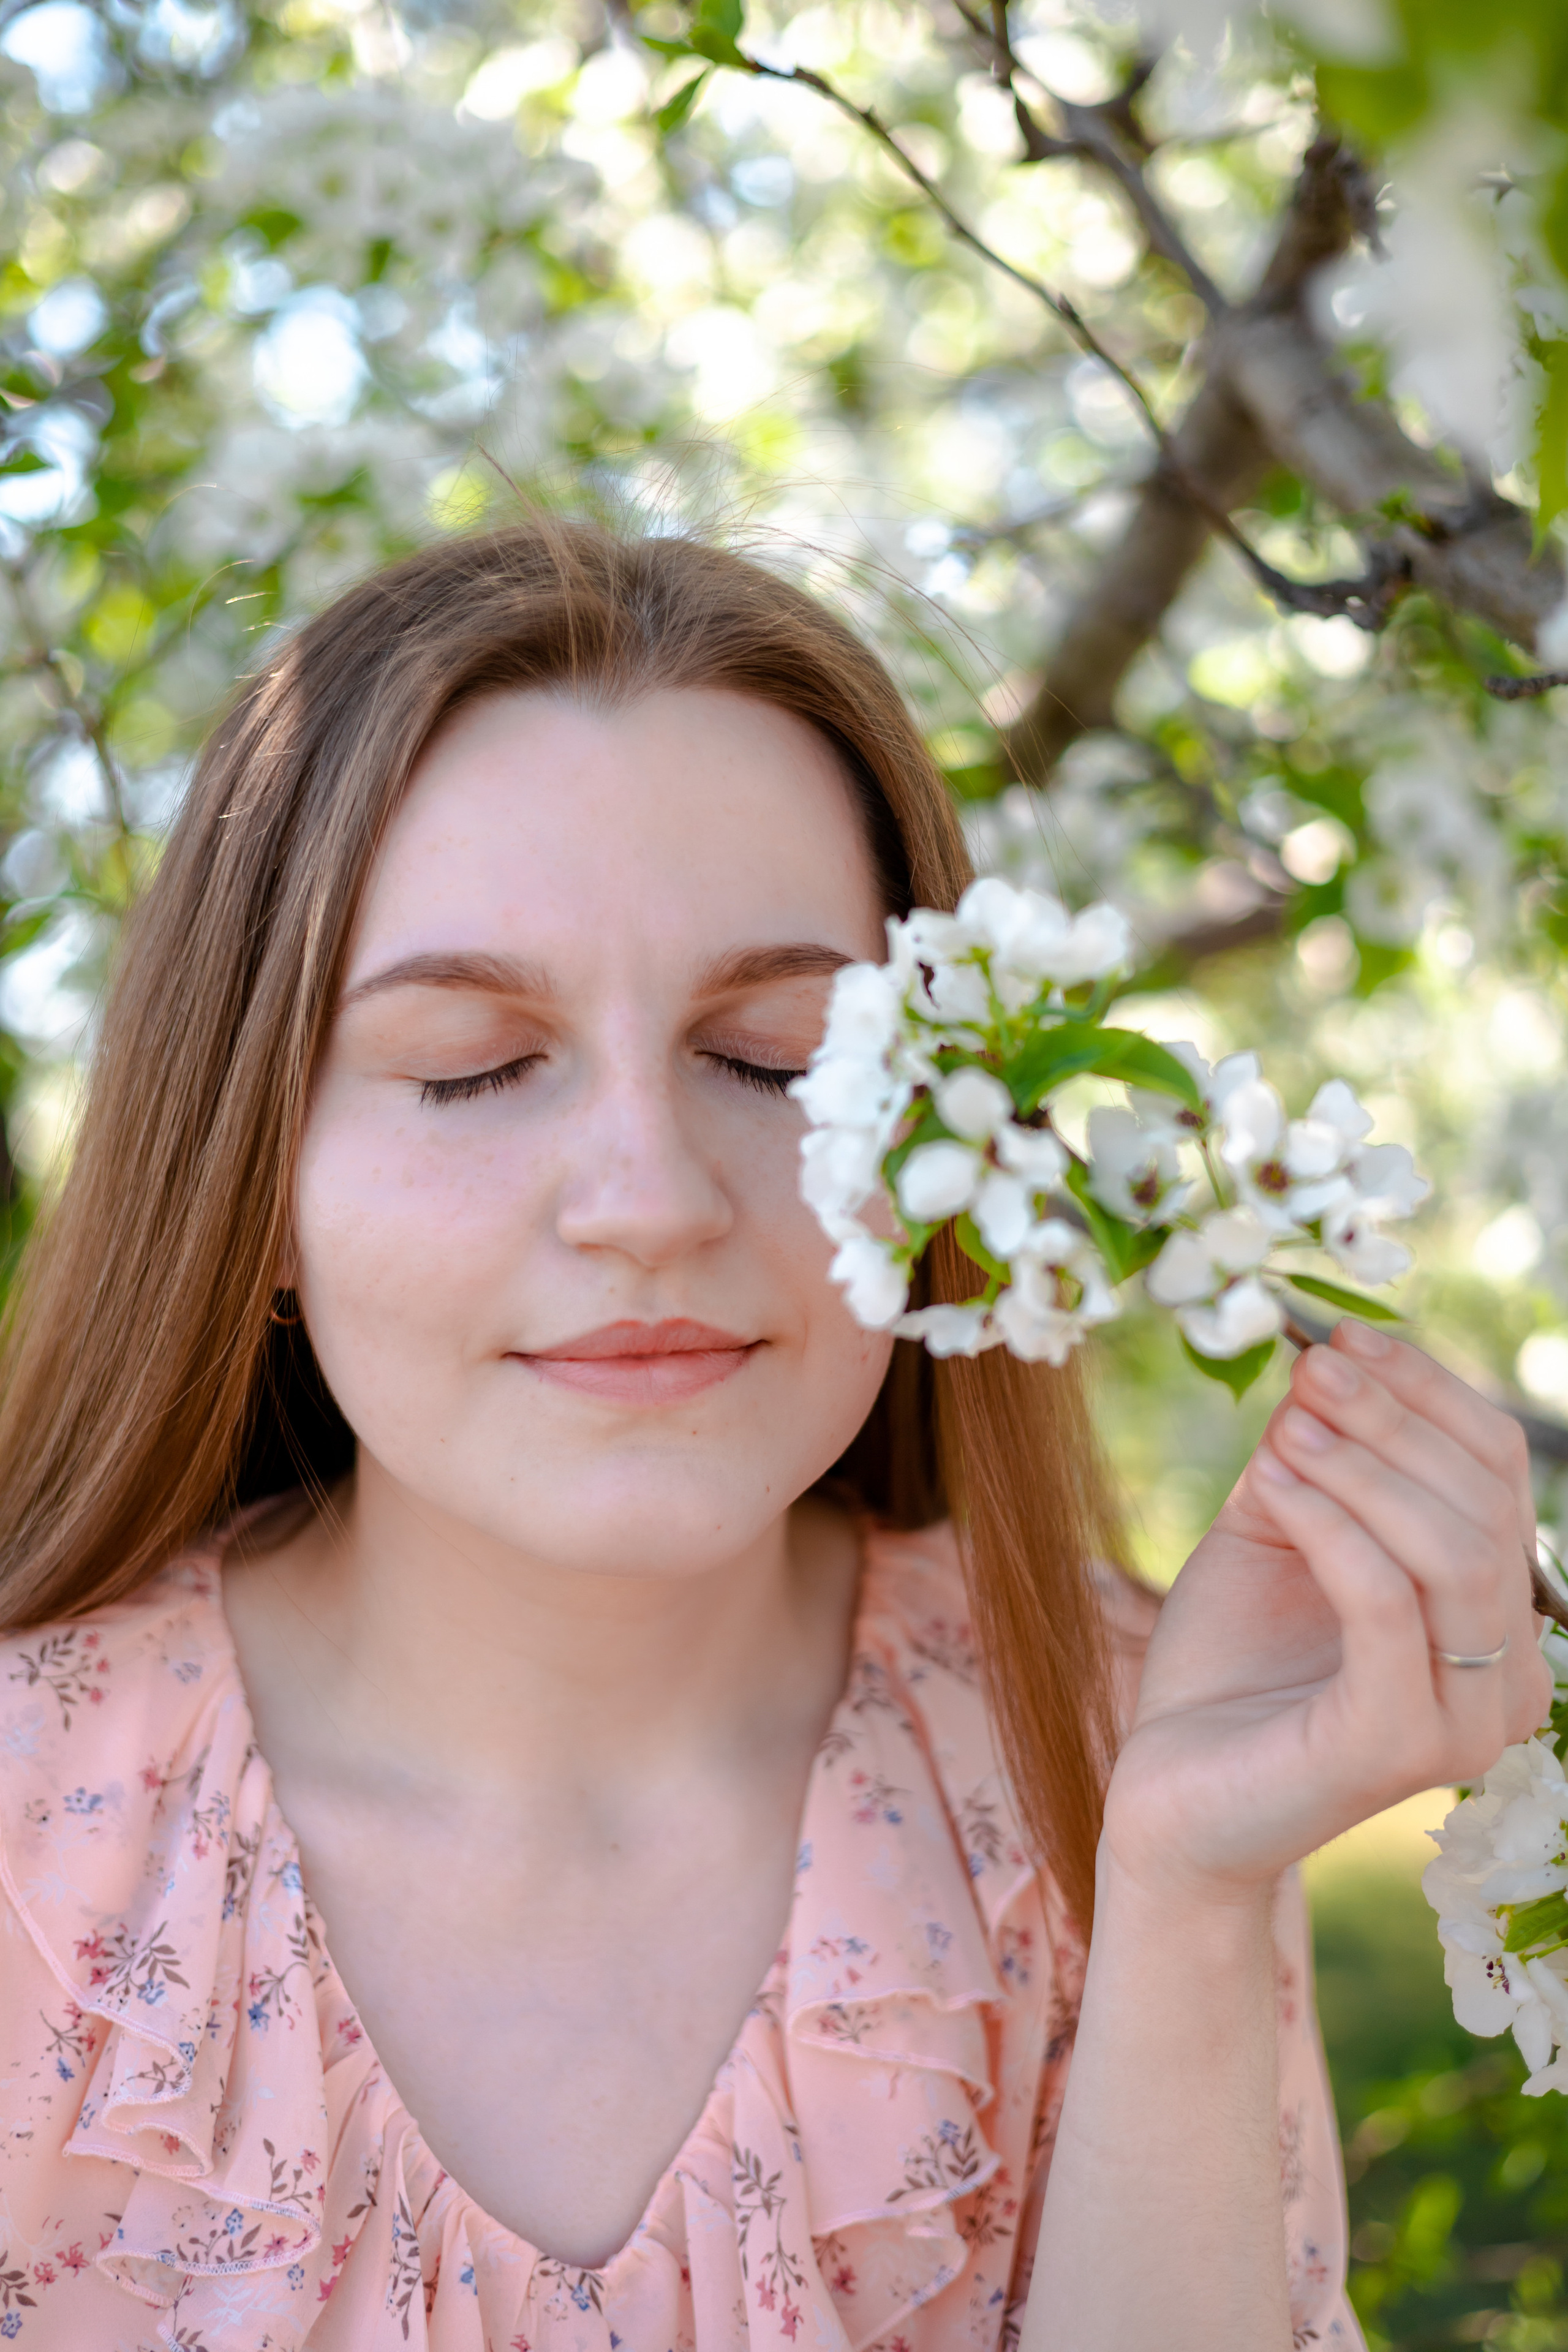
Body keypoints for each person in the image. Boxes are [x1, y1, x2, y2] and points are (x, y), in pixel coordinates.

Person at [0, 521, 1544, 2352]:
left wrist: (1188, 1892)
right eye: (473, 1067)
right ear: (251, 1183)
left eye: (785, 1056)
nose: (647, 1201)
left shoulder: (1095, 1753)